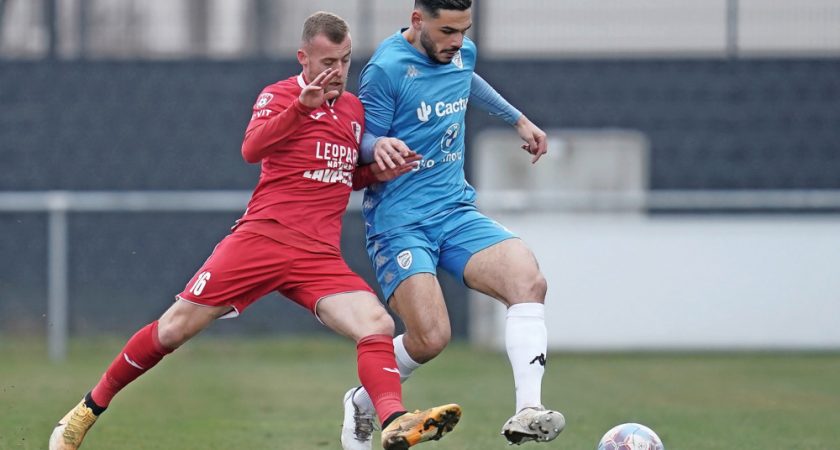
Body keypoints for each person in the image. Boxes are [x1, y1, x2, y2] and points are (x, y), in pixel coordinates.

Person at [49, 11, 461, 450]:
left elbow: (341, 175)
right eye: (326, 63)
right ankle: (85, 412)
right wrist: (300, 109)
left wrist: (379, 171)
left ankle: (394, 419)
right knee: (172, 330)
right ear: (303, 59)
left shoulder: (353, 110)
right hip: (261, 240)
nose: (336, 72)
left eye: (344, 61)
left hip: (317, 257)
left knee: (376, 322)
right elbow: (252, 148)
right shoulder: (279, 95)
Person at [339, 1, 565, 449]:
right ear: (418, 21)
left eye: (464, 30)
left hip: (455, 212)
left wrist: (517, 119)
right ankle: (364, 401)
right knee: (431, 337)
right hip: (400, 222)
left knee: (528, 278)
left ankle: (528, 410)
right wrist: (375, 144)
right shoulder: (386, 69)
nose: (457, 42)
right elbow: (358, 138)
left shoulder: (460, 51)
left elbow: (465, 79)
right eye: (447, 31)